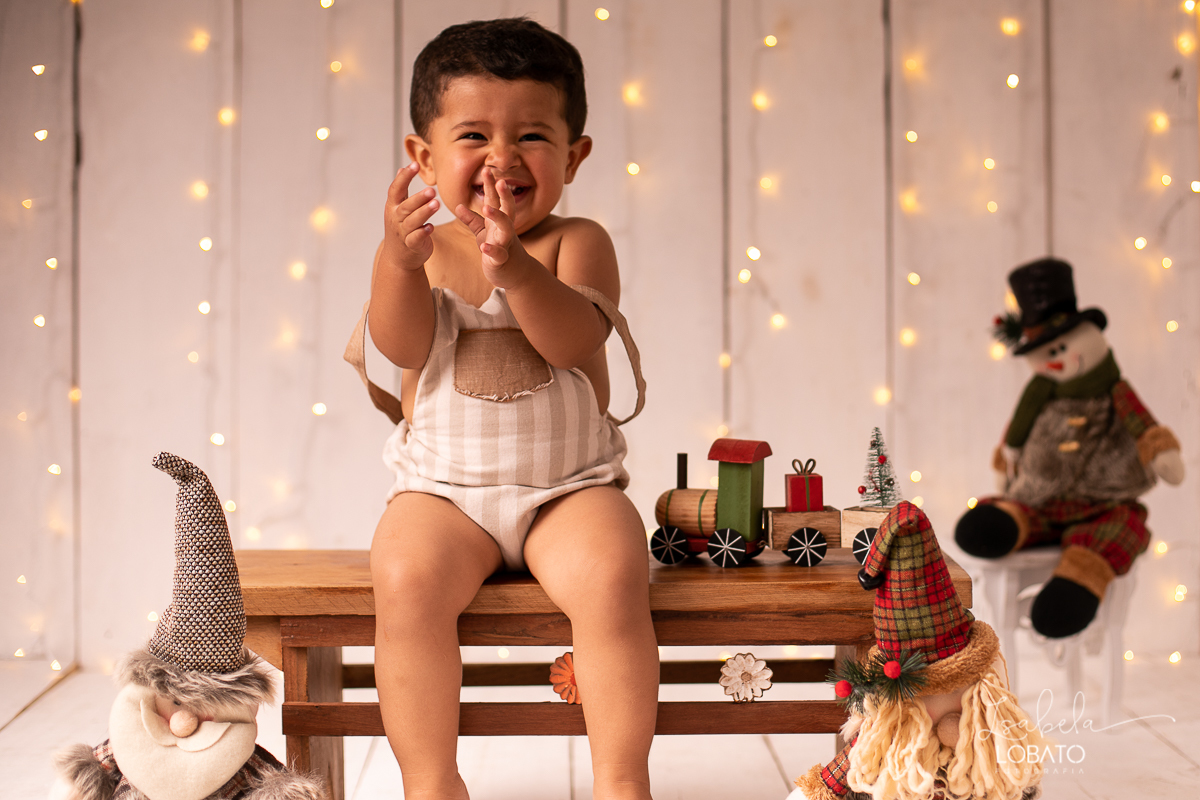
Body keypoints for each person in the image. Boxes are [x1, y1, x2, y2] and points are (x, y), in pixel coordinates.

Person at [361, 17, 657, 800]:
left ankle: (621, 780)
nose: (502, 157)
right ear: (423, 157)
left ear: (574, 155)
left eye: (531, 135)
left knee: (615, 569)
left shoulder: (575, 243)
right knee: (403, 576)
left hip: (570, 491)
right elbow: (400, 346)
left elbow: (569, 341)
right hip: (444, 496)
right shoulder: (420, 251)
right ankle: (431, 781)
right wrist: (397, 262)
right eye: (472, 136)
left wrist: (518, 271)